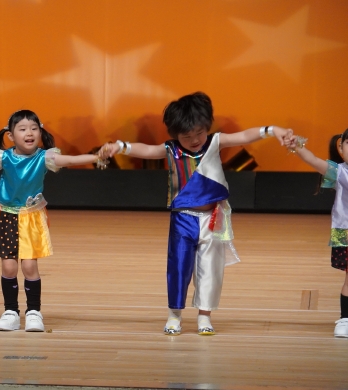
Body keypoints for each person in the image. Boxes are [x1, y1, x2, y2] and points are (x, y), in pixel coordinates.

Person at [100, 92, 295, 336]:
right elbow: (146, 150)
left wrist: (273, 130)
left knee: (211, 268)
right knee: (178, 267)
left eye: (199, 133)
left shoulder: (215, 142)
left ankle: (205, 316)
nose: (194, 140)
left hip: (213, 218)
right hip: (183, 219)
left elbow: (246, 135)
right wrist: (120, 146)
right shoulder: (171, 149)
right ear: (175, 134)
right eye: (186, 136)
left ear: (207, 127)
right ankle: (174, 316)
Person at [0, 110, 107, 332]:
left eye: (34, 128)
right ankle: (10, 312)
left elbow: (69, 160)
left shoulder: (44, 157)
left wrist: (96, 157)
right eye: (22, 129)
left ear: (40, 132)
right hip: (6, 214)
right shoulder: (4, 157)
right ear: (11, 135)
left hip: (31, 217)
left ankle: (33, 312)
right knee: (8, 266)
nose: (29, 133)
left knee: (29, 266)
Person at [284, 129, 348, 338]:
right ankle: (345, 320)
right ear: (341, 148)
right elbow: (312, 159)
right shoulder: (339, 172)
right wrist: (297, 146)